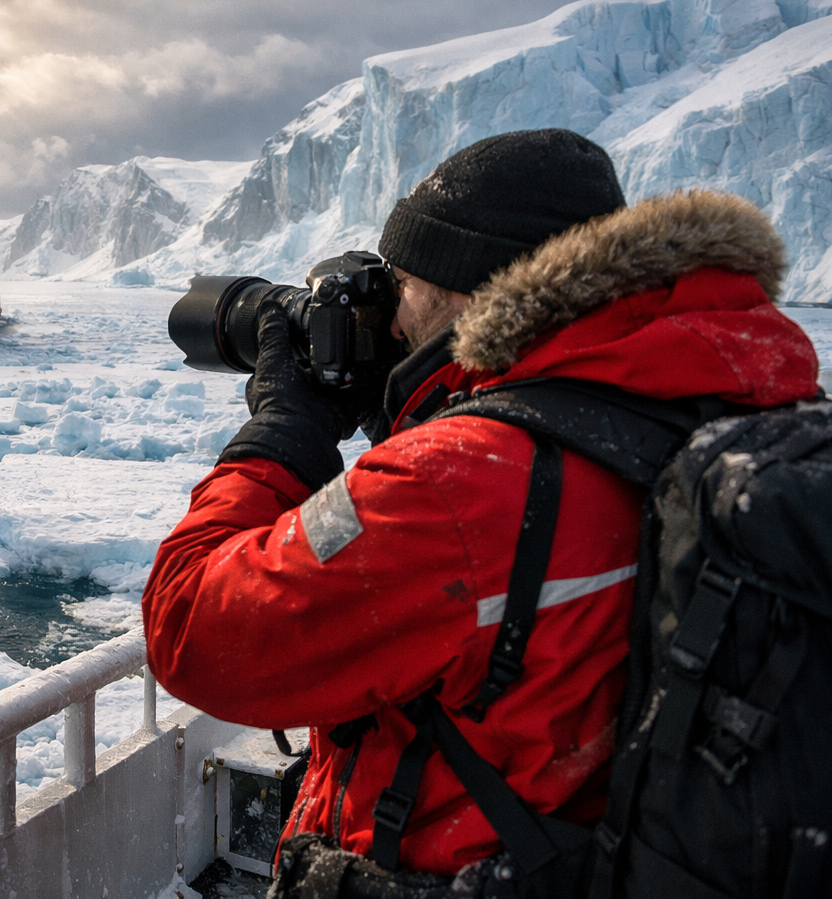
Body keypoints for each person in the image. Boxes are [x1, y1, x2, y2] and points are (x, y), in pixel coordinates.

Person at [141, 129, 821, 884]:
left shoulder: (459, 482)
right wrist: (418, 413)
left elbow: (194, 631)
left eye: (403, 286)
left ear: (465, 288)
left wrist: (279, 436)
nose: (392, 320)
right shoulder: (711, 396)